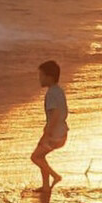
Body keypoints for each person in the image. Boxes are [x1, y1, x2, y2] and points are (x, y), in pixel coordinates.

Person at [31, 60, 69, 191]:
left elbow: (55, 115)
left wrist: (46, 134)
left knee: (35, 157)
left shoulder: (51, 93)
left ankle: (55, 176)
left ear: (49, 77)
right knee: (41, 156)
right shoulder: (59, 91)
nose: (39, 79)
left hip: (54, 134)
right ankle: (46, 186)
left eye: (41, 76)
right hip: (62, 132)